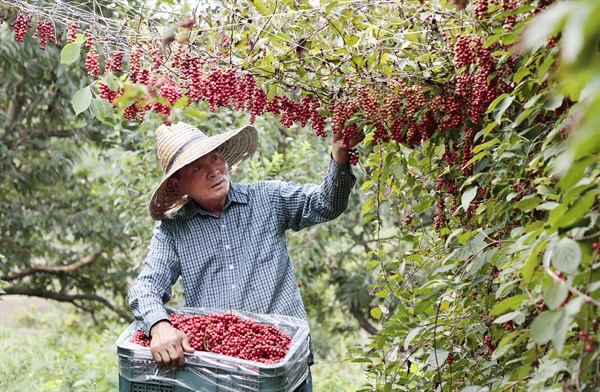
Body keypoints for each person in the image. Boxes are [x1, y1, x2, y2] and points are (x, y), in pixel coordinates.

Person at [128, 121, 363, 391]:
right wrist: (159, 327)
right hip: (221, 373)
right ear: (177, 183)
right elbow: (145, 289)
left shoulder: (267, 198)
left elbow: (326, 204)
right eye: (197, 167)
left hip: (281, 364)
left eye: (215, 158)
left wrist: (340, 157)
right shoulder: (173, 230)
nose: (214, 171)